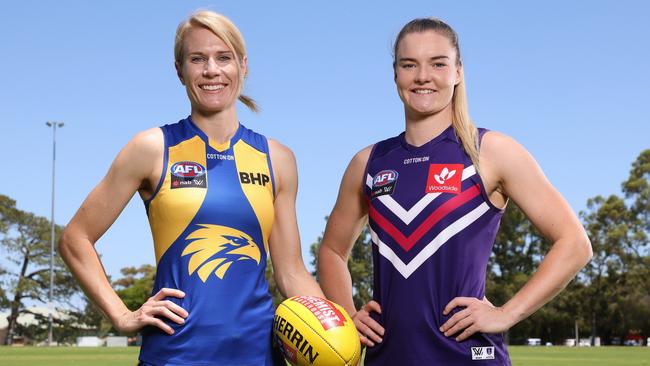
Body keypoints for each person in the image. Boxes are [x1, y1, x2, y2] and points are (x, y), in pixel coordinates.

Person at [317, 17, 592, 365]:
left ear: (458, 71)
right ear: (395, 74)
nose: (422, 76)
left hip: (470, 355)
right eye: (409, 65)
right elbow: (332, 251)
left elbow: (574, 243)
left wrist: (507, 313)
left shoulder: (490, 151)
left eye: (438, 63)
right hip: (388, 356)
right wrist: (348, 314)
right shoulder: (368, 162)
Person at [59, 10, 323, 366]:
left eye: (224, 57)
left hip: (259, 356)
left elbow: (291, 272)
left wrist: (331, 328)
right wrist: (122, 316)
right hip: (174, 355)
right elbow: (75, 238)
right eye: (198, 59)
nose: (212, 70)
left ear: (243, 66)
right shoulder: (151, 148)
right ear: (179, 69)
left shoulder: (278, 158)